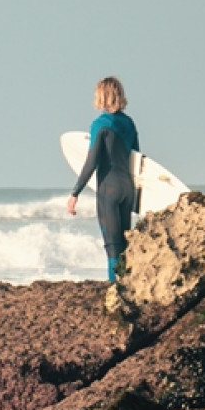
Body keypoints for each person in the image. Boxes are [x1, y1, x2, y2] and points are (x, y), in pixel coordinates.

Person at [66, 76, 139, 282]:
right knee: (125, 246)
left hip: (109, 189)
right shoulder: (129, 123)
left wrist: (75, 193)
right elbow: (137, 158)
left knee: (113, 247)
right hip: (127, 189)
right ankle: (127, 289)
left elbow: (91, 162)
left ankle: (115, 293)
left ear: (102, 96)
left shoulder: (101, 124)